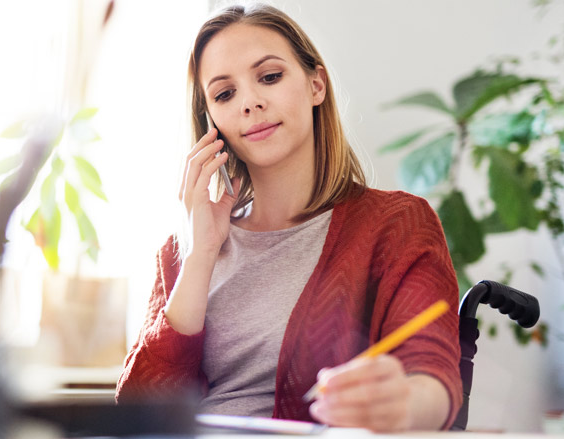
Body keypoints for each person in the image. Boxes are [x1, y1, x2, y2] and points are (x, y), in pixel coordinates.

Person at [114, 3, 462, 432]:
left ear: (316, 85)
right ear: (212, 124)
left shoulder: (396, 224)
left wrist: (402, 403)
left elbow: (434, 379)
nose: (251, 102)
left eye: (270, 77)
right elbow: (136, 416)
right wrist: (200, 254)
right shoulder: (180, 250)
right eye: (225, 94)